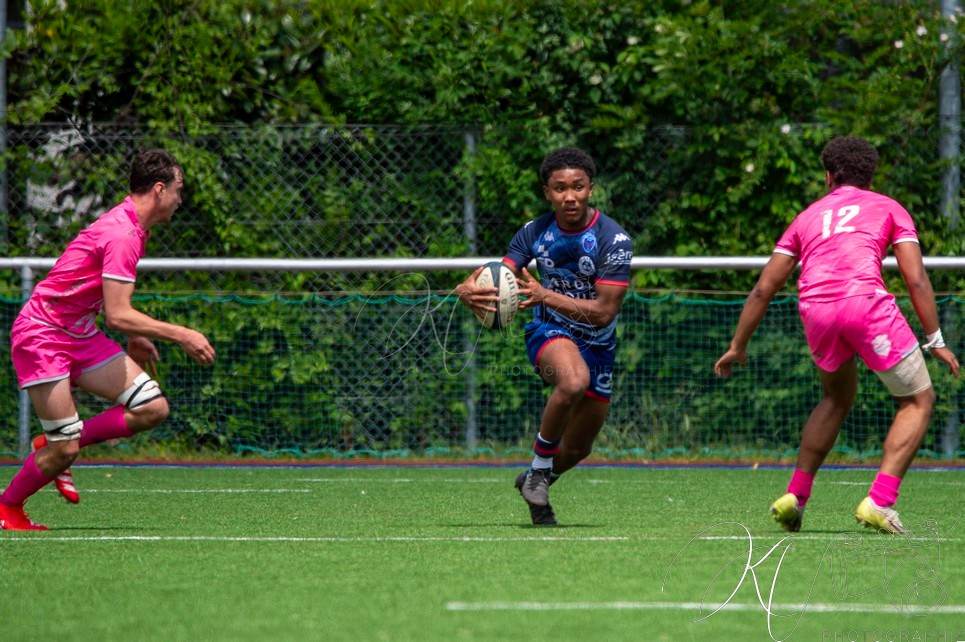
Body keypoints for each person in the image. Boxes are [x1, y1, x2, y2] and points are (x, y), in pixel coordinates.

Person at [714, 136, 959, 534]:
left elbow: (763, 288)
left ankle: (796, 496)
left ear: (829, 177)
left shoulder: (807, 217)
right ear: (871, 177)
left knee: (835, 398)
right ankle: (880, 501)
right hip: (866, 305)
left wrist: (737, 346)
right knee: (918, 400)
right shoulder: (889, 207)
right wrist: (936, 341)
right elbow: (916, 279)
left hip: (817, 312)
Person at [0, 148, 216, 531]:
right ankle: (8, 507)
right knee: (64, 449)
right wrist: (182, 334)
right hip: (44, 334)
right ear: (160, 189)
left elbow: (113, 304)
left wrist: (135, 336)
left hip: (79, 333)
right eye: (178, 189)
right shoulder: (124, 234)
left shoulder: (132, 227)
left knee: (152, 408)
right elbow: (117, 314)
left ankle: (53, 445)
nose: (180, 199)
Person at [457, 147, 633, 525]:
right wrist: (469, 289)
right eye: (560, 188)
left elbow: (604, 312)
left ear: (591, 189)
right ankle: (538, 472)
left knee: (578, 448)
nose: (570, 196)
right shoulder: (534, 232)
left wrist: (545, 295)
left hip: (599, 343)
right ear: (547, 192)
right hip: (550, 330)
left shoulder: (614, 239)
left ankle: (535, 482)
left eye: (578, 187)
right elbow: (501, 274)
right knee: (573, 381)